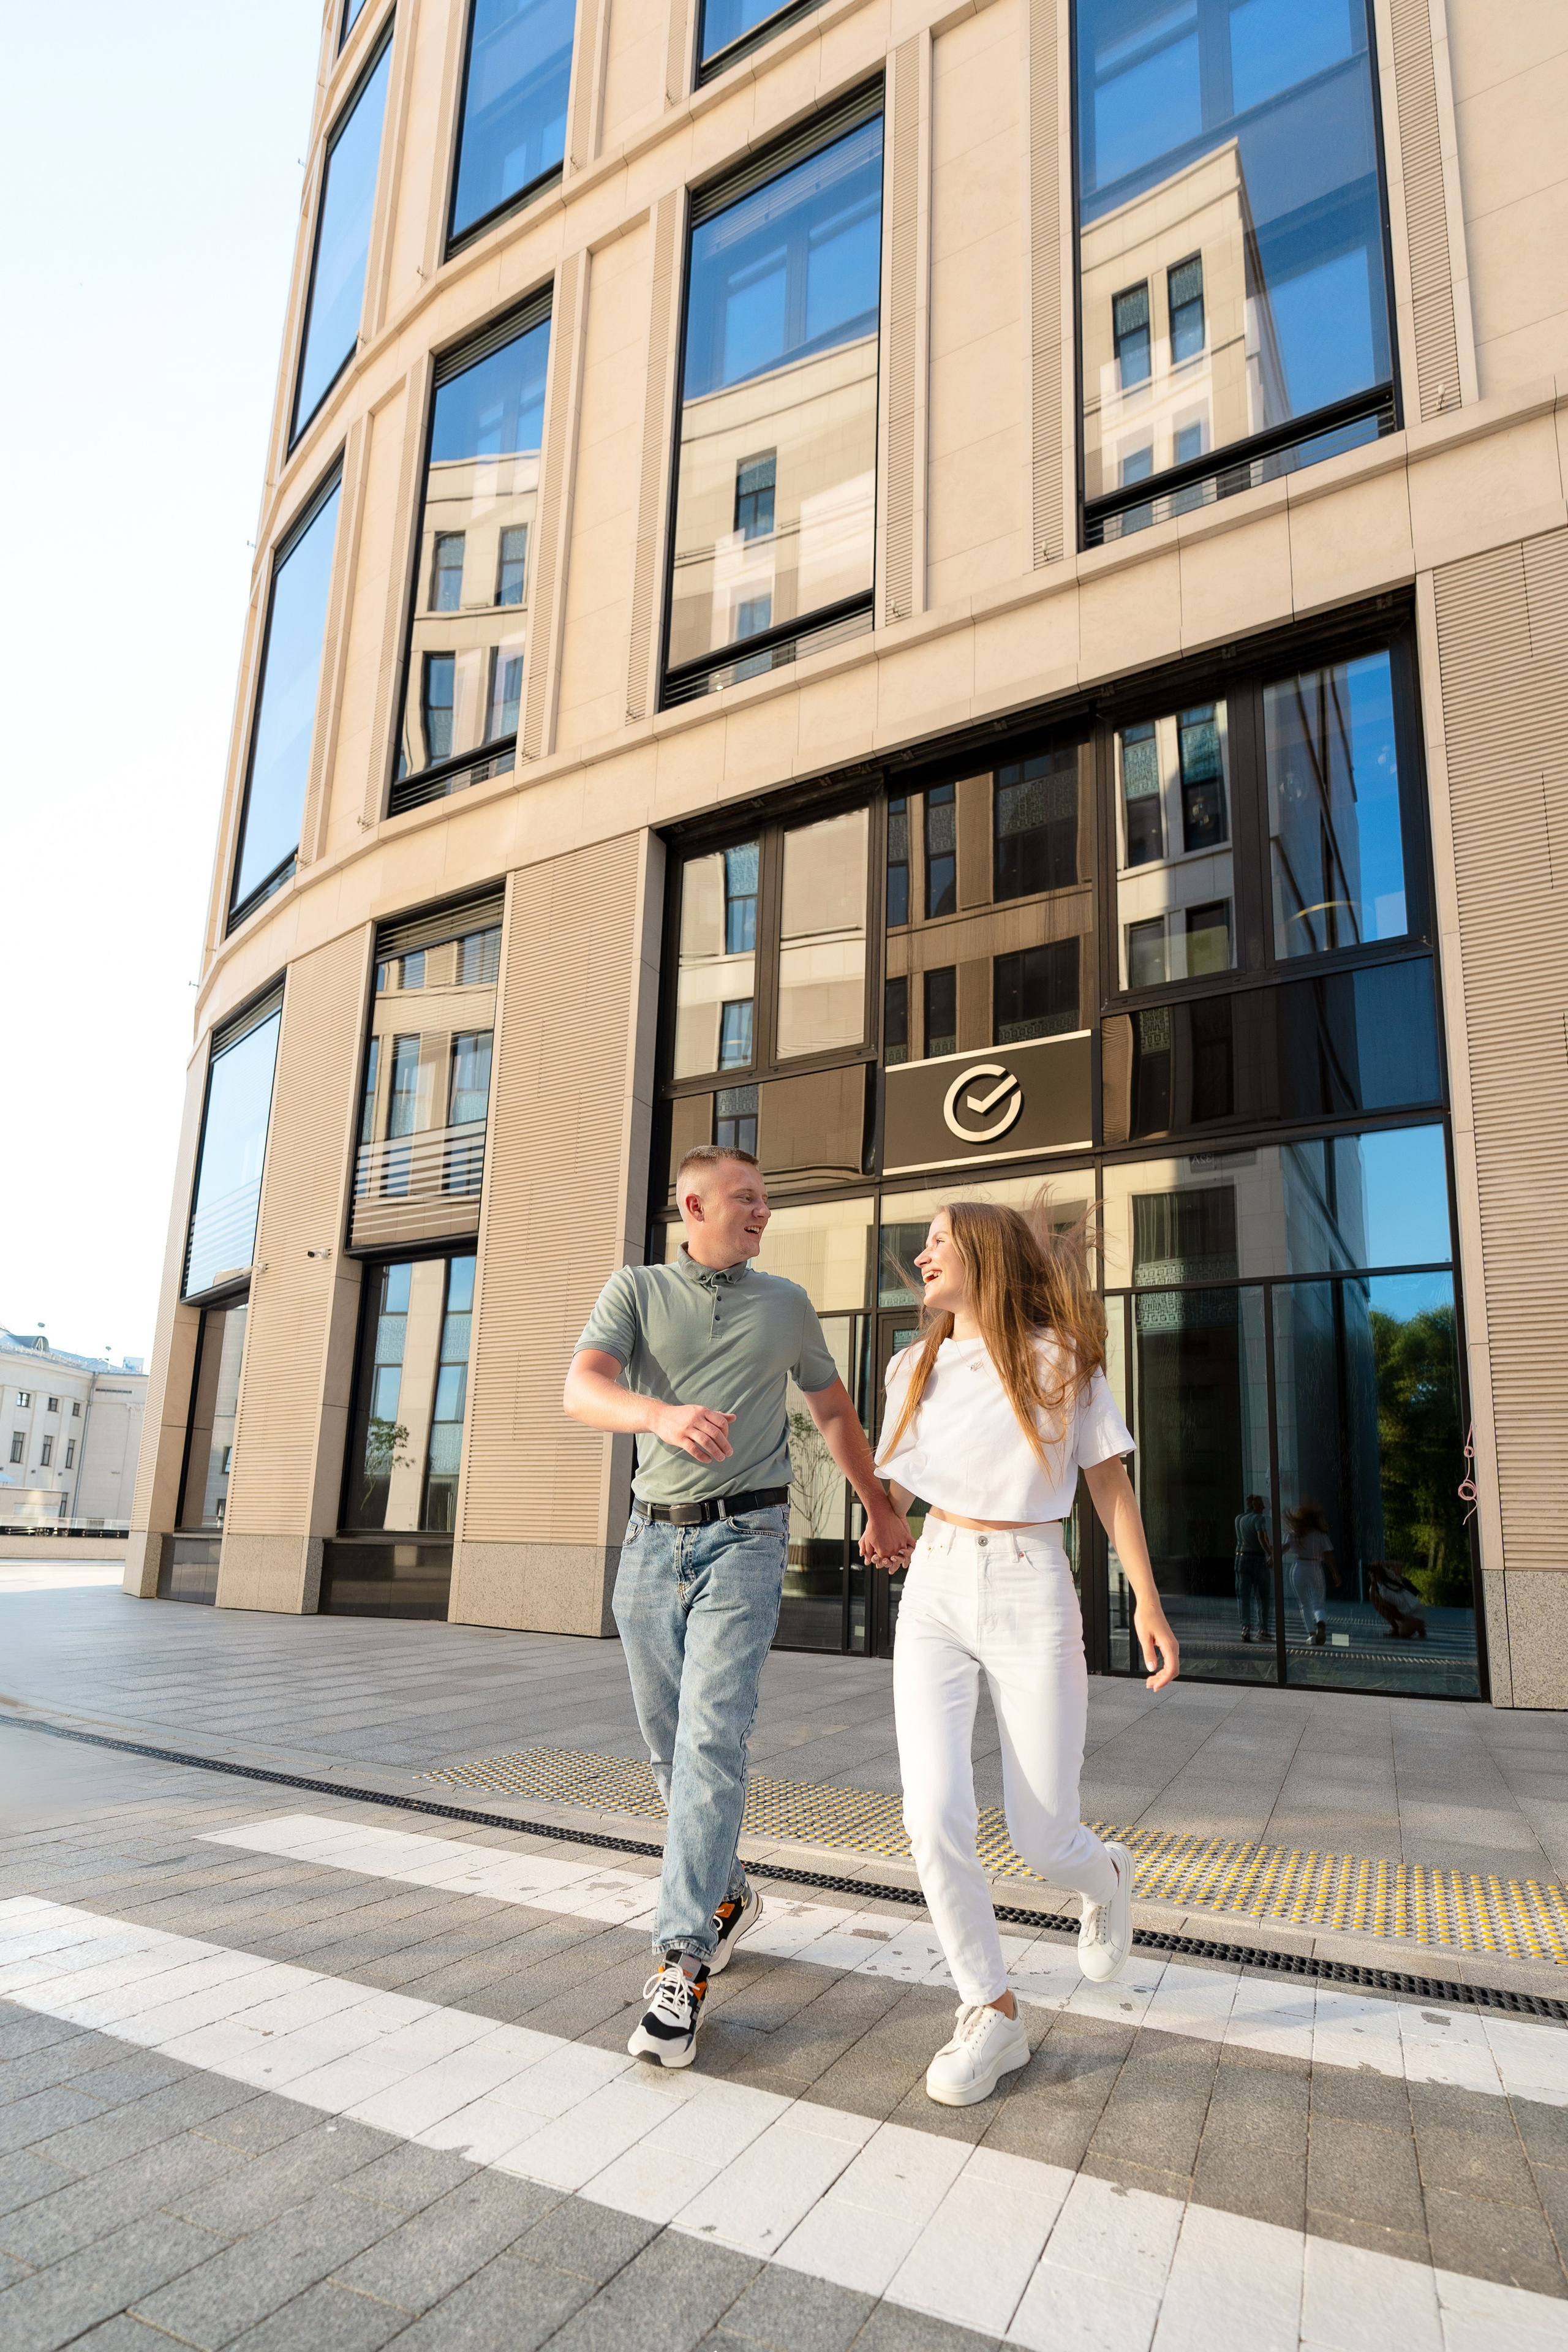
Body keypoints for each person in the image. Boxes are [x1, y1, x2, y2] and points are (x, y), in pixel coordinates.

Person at [564, 1145, 912, 2071]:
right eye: (747, 1199)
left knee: (713, 1737)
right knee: (666, 1740)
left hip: (747, 1541)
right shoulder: (634, 1290)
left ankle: (680, 1966)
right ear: (693, 1204)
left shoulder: (787, 1304)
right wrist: (660, 1416)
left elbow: (834, 1412)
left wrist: (877, 1506)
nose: (763, 1212)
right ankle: (729, 1894)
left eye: (766, 1199)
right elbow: (582, 1388)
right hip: (649, 1544)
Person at [869, 1199, 1178, 2109]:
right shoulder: (908, 1365)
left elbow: (1110, 1487)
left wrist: (1147, 1602)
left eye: (939, 1239)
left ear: (988, 1253)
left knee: (1044, 1837)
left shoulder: (1063, 1362)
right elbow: (909, 1480)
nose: (921, 1254)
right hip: (936, 1582)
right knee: (932, 1814)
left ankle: (1105, 1875)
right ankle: (991, 2010)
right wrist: (881, 1526)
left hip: (1030, 1583)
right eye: (922, 1242)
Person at [1283, 1501, 1339, 1645]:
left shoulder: (1294, 1534)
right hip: (1315, 1567)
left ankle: (1311, 1635)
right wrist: (1335, 1573)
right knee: (1318, 1604)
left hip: (1299, 1567)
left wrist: (1273, 1557)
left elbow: (1285, 1548)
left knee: (1304, 1604)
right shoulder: (1320, 1535)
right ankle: (1320, 1623)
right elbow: (1328, 1555)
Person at [1233, 1493, 1273, 1645]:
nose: (1266, 1507)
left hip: (1240, 1558)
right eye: (1264, 1504)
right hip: (1257, 1559)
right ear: (1258, 1505)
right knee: (1262, 1596)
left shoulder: (1239, 1519)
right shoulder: (1260, 1519)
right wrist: (1271, 1554)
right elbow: (1262, 1538)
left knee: (1243, 1596)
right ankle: (1263, 1630)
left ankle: (1245, 1628)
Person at [1367, 1559, 1428, 1639]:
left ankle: (1419, 1624)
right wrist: (1373, 1581)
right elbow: (1375, 1601)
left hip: (1415, 1610)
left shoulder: (1392, 1578)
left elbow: (1399, 1564)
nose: (1375, 1573)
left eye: (1376, 1570)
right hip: (1404, 1614)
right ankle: (1401, 1627)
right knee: (1377, 1601)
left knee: (1403, 1633)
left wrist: (1382, 1564)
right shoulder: (1378, 1587)